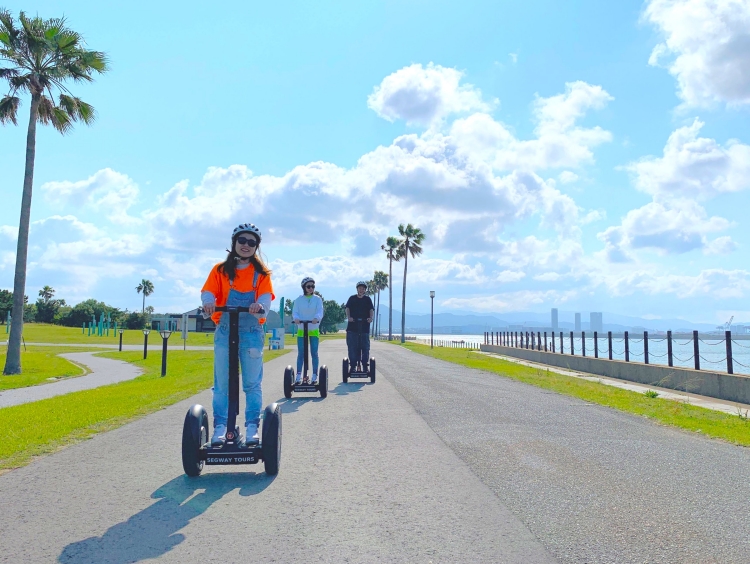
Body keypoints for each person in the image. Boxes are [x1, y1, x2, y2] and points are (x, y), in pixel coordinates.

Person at [201, 223, 274, 446]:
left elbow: (265, 298)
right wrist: (209, 303)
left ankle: (252, 427)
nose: (246, 245)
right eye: (242, 240)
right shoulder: (220, 270)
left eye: (252, 242)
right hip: (225, 330)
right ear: (234, 243)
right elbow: (208, 291)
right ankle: (221, 427)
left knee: (251, 383)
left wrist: (259, 306)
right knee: (221, 384)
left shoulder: (261, 274)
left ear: (256, 247)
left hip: (251, 332)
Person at [292, 277, 324, 385]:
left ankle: (315, 375)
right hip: (302, 329)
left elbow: (320, 311)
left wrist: (316, 318)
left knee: (314, 353)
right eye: (308, 286)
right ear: (304, 287)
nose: (311, 288)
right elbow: (295, 312)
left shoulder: (317, 299)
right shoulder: (299, 300)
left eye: (313, 286)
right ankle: (298, 375)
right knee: (301, 353)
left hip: (313, 329)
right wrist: (296, 318)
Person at [345, 281, 374, 371]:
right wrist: (349, 317)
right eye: (360, 288)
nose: (361, 290)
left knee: (365, 347)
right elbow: (347, 308)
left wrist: (370, 318)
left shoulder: (367, 300)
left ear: (365, 290)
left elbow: (371, 309)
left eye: (363, 288)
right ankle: (353, 365)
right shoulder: (352, 298)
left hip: (364, 327)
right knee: (352, 347)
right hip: (352, 327)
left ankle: (365, 365)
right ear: (357, 289)